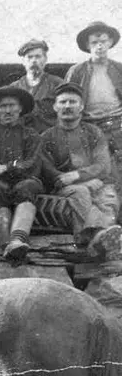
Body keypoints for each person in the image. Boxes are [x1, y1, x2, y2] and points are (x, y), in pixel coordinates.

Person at [38, 83, 122, 258]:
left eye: (72, 102)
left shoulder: (94, 132)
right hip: (62, 188)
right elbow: (48, 170)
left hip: (96, 183)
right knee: (81, 192)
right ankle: (95, 237)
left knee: (109, 197)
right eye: (62, 102)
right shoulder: (46, 137)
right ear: (55, 107)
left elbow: (102, 164)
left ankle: (99, 243)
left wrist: (78, 175)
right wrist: (81, 181)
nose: (67, 106)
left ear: (82, 106)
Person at [0, 85, 43, 262]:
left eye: (12, 105)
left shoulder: (32, 135)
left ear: (20, 109)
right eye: (3, 106)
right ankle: (6, 245)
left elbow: (32, 165)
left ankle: (18, 239)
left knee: (28, 185)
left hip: (25, 182)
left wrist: (7, 167)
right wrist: (11, 170)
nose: (8, 110)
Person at [64, 21, 122, 173]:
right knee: (96, 169)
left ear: (110, 42)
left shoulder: (119, 69)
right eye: (94, 42)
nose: (99, 46)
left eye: (103, 41)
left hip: (118, 125)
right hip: (90, 127)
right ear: (88, 45)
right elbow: (66, 102)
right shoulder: (77, 71)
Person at [9, 40, 62, 132]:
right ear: (23, 61)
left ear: (45, 59)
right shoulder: (14, 88)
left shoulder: (57, 84)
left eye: (38, 56)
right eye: (29, 57)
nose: (34, 60)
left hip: (48, 137)